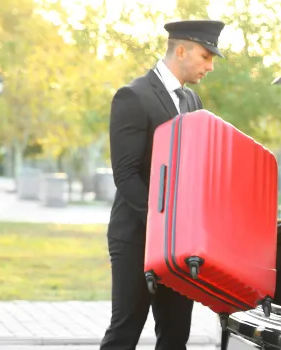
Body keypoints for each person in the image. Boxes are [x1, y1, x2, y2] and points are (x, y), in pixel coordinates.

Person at [101, 19, 225, 350]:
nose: (210, 66)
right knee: (124, 332)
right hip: (137, 238)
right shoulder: (133, 96)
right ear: (181, 50)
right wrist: (163, 226)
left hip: (179, 246)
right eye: (205, 56)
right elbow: (126, 176)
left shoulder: (193, 102)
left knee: (175, 336)